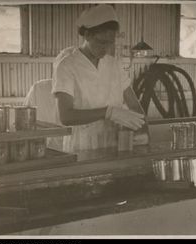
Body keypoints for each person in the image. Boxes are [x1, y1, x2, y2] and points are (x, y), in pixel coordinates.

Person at [52, 5, 145, 152]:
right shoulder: (67, 65)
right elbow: (66, 116)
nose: (106, 48)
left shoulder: (114, 65)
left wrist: (140, 130)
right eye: (102, 42)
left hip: (114, 145)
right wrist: (108, 112)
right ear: (87, 35)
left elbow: (134, 105)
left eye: (111, 43)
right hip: (82, 147)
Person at [24, 79, 64, 151]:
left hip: (40, 147)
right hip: (44, 146)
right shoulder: (38, 88)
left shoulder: (38, 87)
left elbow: (25, 117)